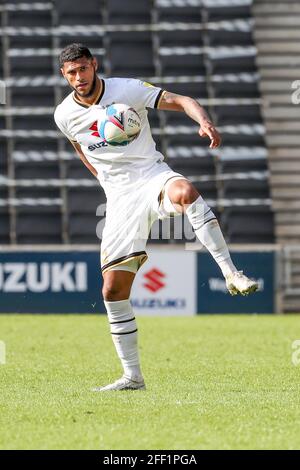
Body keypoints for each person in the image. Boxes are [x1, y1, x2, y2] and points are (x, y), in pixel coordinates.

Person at [54, 43, 258, 392]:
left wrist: (204, 121)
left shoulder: (126, 89)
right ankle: (133, 377)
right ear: (64, 75)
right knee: (112, 289)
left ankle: (232, 273)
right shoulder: (64, 115)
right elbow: (80, 147)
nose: (79, 77)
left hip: (151, 176)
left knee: (185, 193)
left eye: (83, 69)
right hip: (119, 197)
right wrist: (105, 181)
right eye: (71, 72)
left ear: (94, 65)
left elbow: (181, 100)